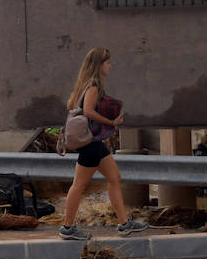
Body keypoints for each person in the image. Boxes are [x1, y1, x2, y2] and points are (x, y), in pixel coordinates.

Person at [58, 47, 149, 239]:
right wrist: (111, 122)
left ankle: (124, 224)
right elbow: (89, 111)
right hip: (90, 143)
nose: (110, 66)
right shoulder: (92, 86)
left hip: (94, 143)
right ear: (99, 65)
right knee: (79, 185)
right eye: (107, 63)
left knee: (114, 177)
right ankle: (67, 227)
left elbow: (70, 105)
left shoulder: (84, 84)